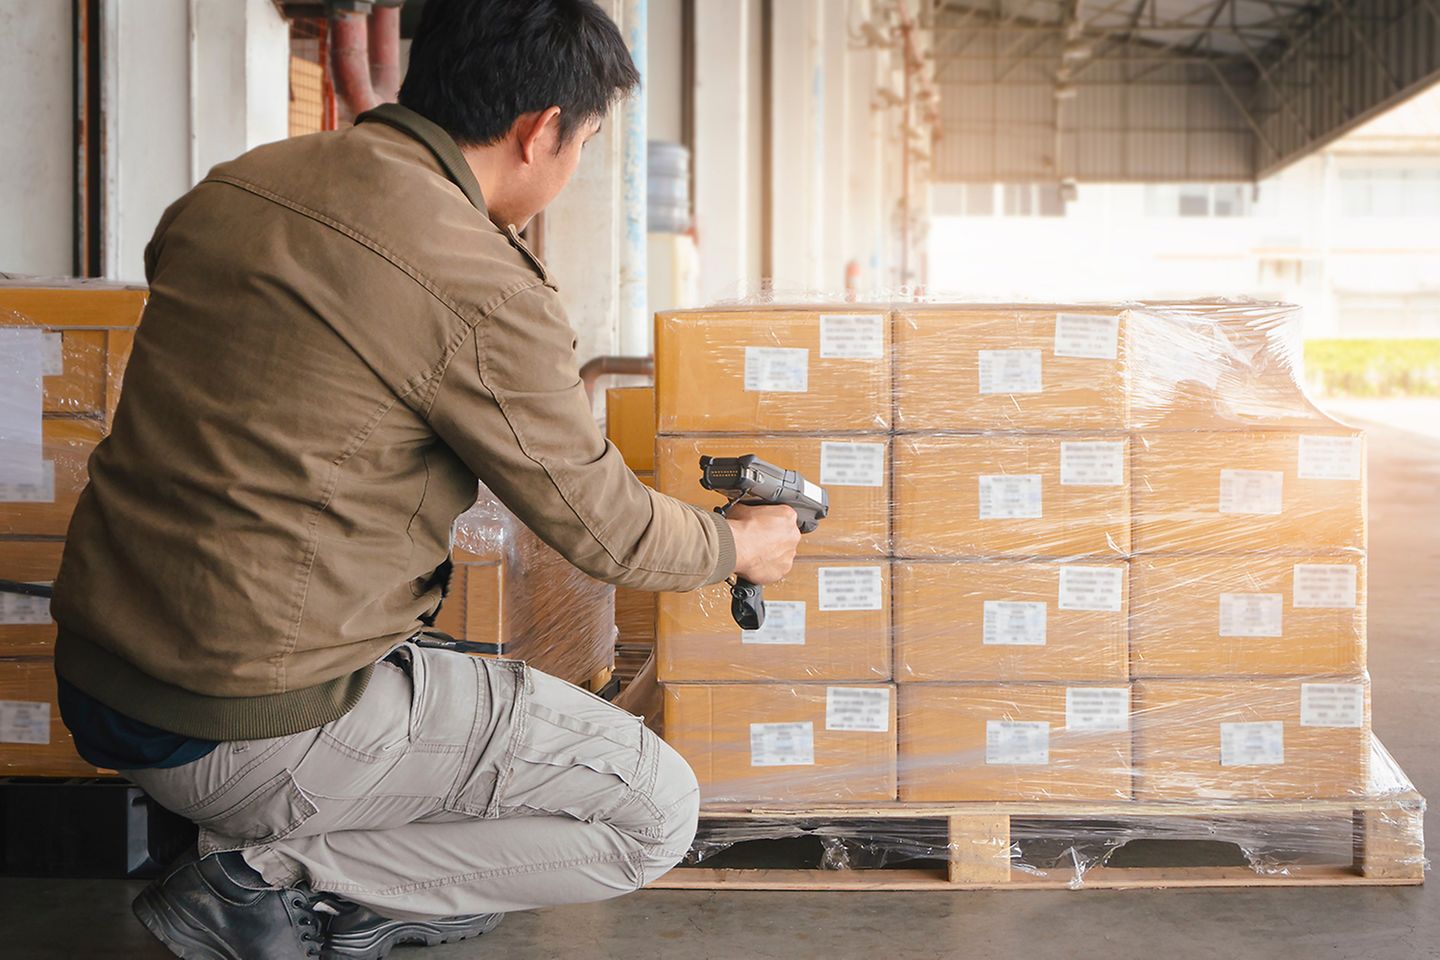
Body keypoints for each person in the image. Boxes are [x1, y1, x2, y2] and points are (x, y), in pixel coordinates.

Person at [49, 1, 801, 958]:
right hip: (247, 718)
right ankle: (266, 884)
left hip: (105, 672)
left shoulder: (240, 185)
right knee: (654, 811)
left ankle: (298, 848)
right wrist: (741, 542)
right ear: (541, 134)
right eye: (587, 143)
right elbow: (603, 529)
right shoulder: (481, 281)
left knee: (449, 671)